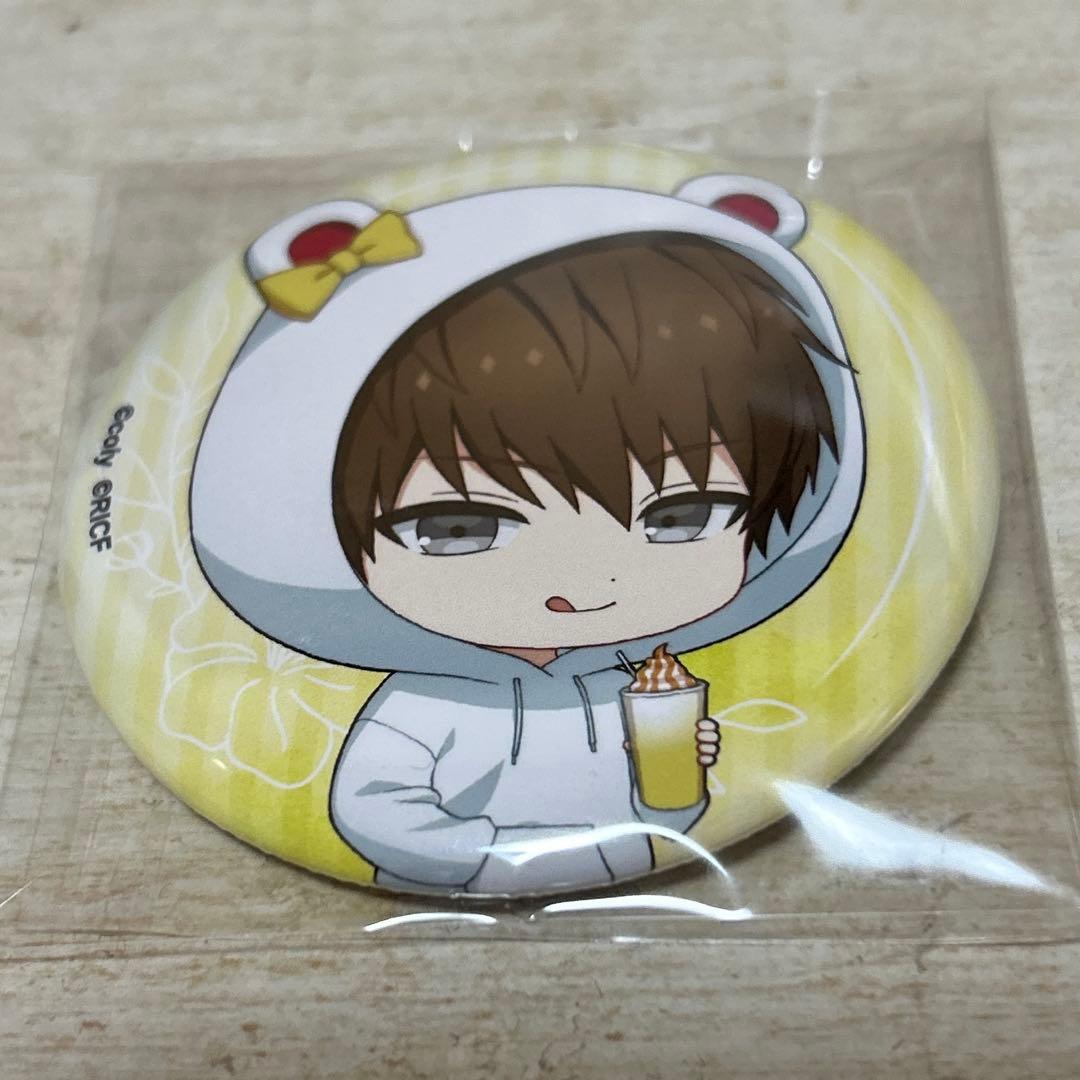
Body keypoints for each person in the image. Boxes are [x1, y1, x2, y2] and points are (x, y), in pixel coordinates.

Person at [190, 176, 864, 895]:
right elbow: (373, 810)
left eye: (679, 517)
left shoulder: (623, 687)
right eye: (460, 525)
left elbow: (666, 817)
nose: (582, 587)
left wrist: (677, 784)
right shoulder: (425, 705)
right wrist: (492, 857)